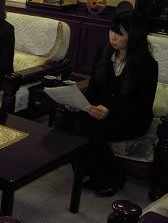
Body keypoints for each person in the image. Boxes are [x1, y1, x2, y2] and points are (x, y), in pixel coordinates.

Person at [56, 11, 158, 197]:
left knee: (84, 127)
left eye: (119, 34)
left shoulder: (147, 65)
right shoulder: (105, 52)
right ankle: (87, 169)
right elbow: (94, 88)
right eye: (112, 30)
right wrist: (78, 103)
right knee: (64, 120)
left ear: (134, 36)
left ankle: (112, 177)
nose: (112, 37)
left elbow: (142, 106)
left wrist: (110, 111)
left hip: (131, 118)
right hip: (101, 110)